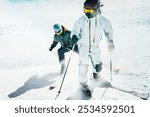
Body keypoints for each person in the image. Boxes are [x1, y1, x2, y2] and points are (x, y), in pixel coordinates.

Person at [71, 0, 115, 96]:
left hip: (95, 46)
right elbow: (75, 29)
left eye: (89, 11)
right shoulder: (81, 20)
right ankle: (83, 83)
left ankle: (96, 77)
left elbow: (109, 30)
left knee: (98, 64)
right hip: (83, 46)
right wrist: (74, 36)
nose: (87, 13)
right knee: (83, 65)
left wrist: (110, 41)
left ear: (97, 9)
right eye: (85, 11)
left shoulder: (103, 21)